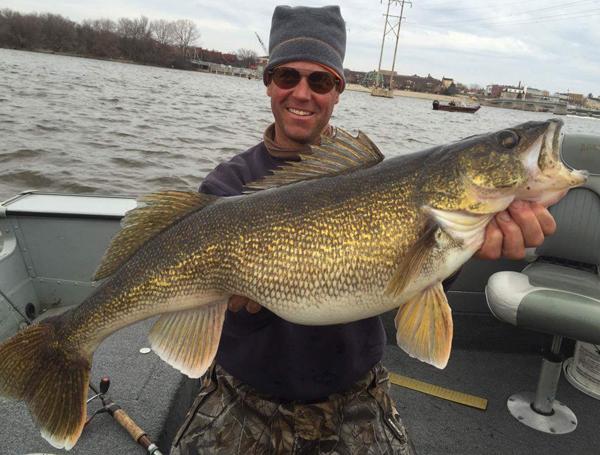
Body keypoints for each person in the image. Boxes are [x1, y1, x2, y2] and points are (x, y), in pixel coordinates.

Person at [170, 5, 556, 454]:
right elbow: (214, 320)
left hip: (354, 393)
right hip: (245, 394)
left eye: (320, 80)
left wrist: (462, 251)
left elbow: (419, 271)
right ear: (268, 83)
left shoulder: (379, 177)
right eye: (286, 76)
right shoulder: (227, 187)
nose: (302, 92)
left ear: (338, 90)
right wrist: (239, 306)